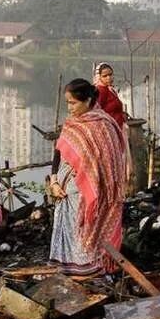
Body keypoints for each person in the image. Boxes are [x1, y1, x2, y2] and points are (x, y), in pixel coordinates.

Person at [50, 79, 126, 275]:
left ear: (88, 100)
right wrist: (54, 180)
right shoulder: (71, 124)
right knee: (67, 230)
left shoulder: (104, 126)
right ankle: (66, 267)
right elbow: (59, 152)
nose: (70, 107)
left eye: (73, 103)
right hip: (64, 190)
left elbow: (110, 164)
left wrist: (92, 184)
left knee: (84, 229)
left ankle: (89, 269)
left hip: (89, 194)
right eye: (67, 102)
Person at [94, 63, 126, 127]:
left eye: (110, 74)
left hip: (117, 127)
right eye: (105, 76)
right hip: (108, 128)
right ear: (99, 77)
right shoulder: (100, 91)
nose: (109, 78)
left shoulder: (110, 90)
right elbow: (97, 112)